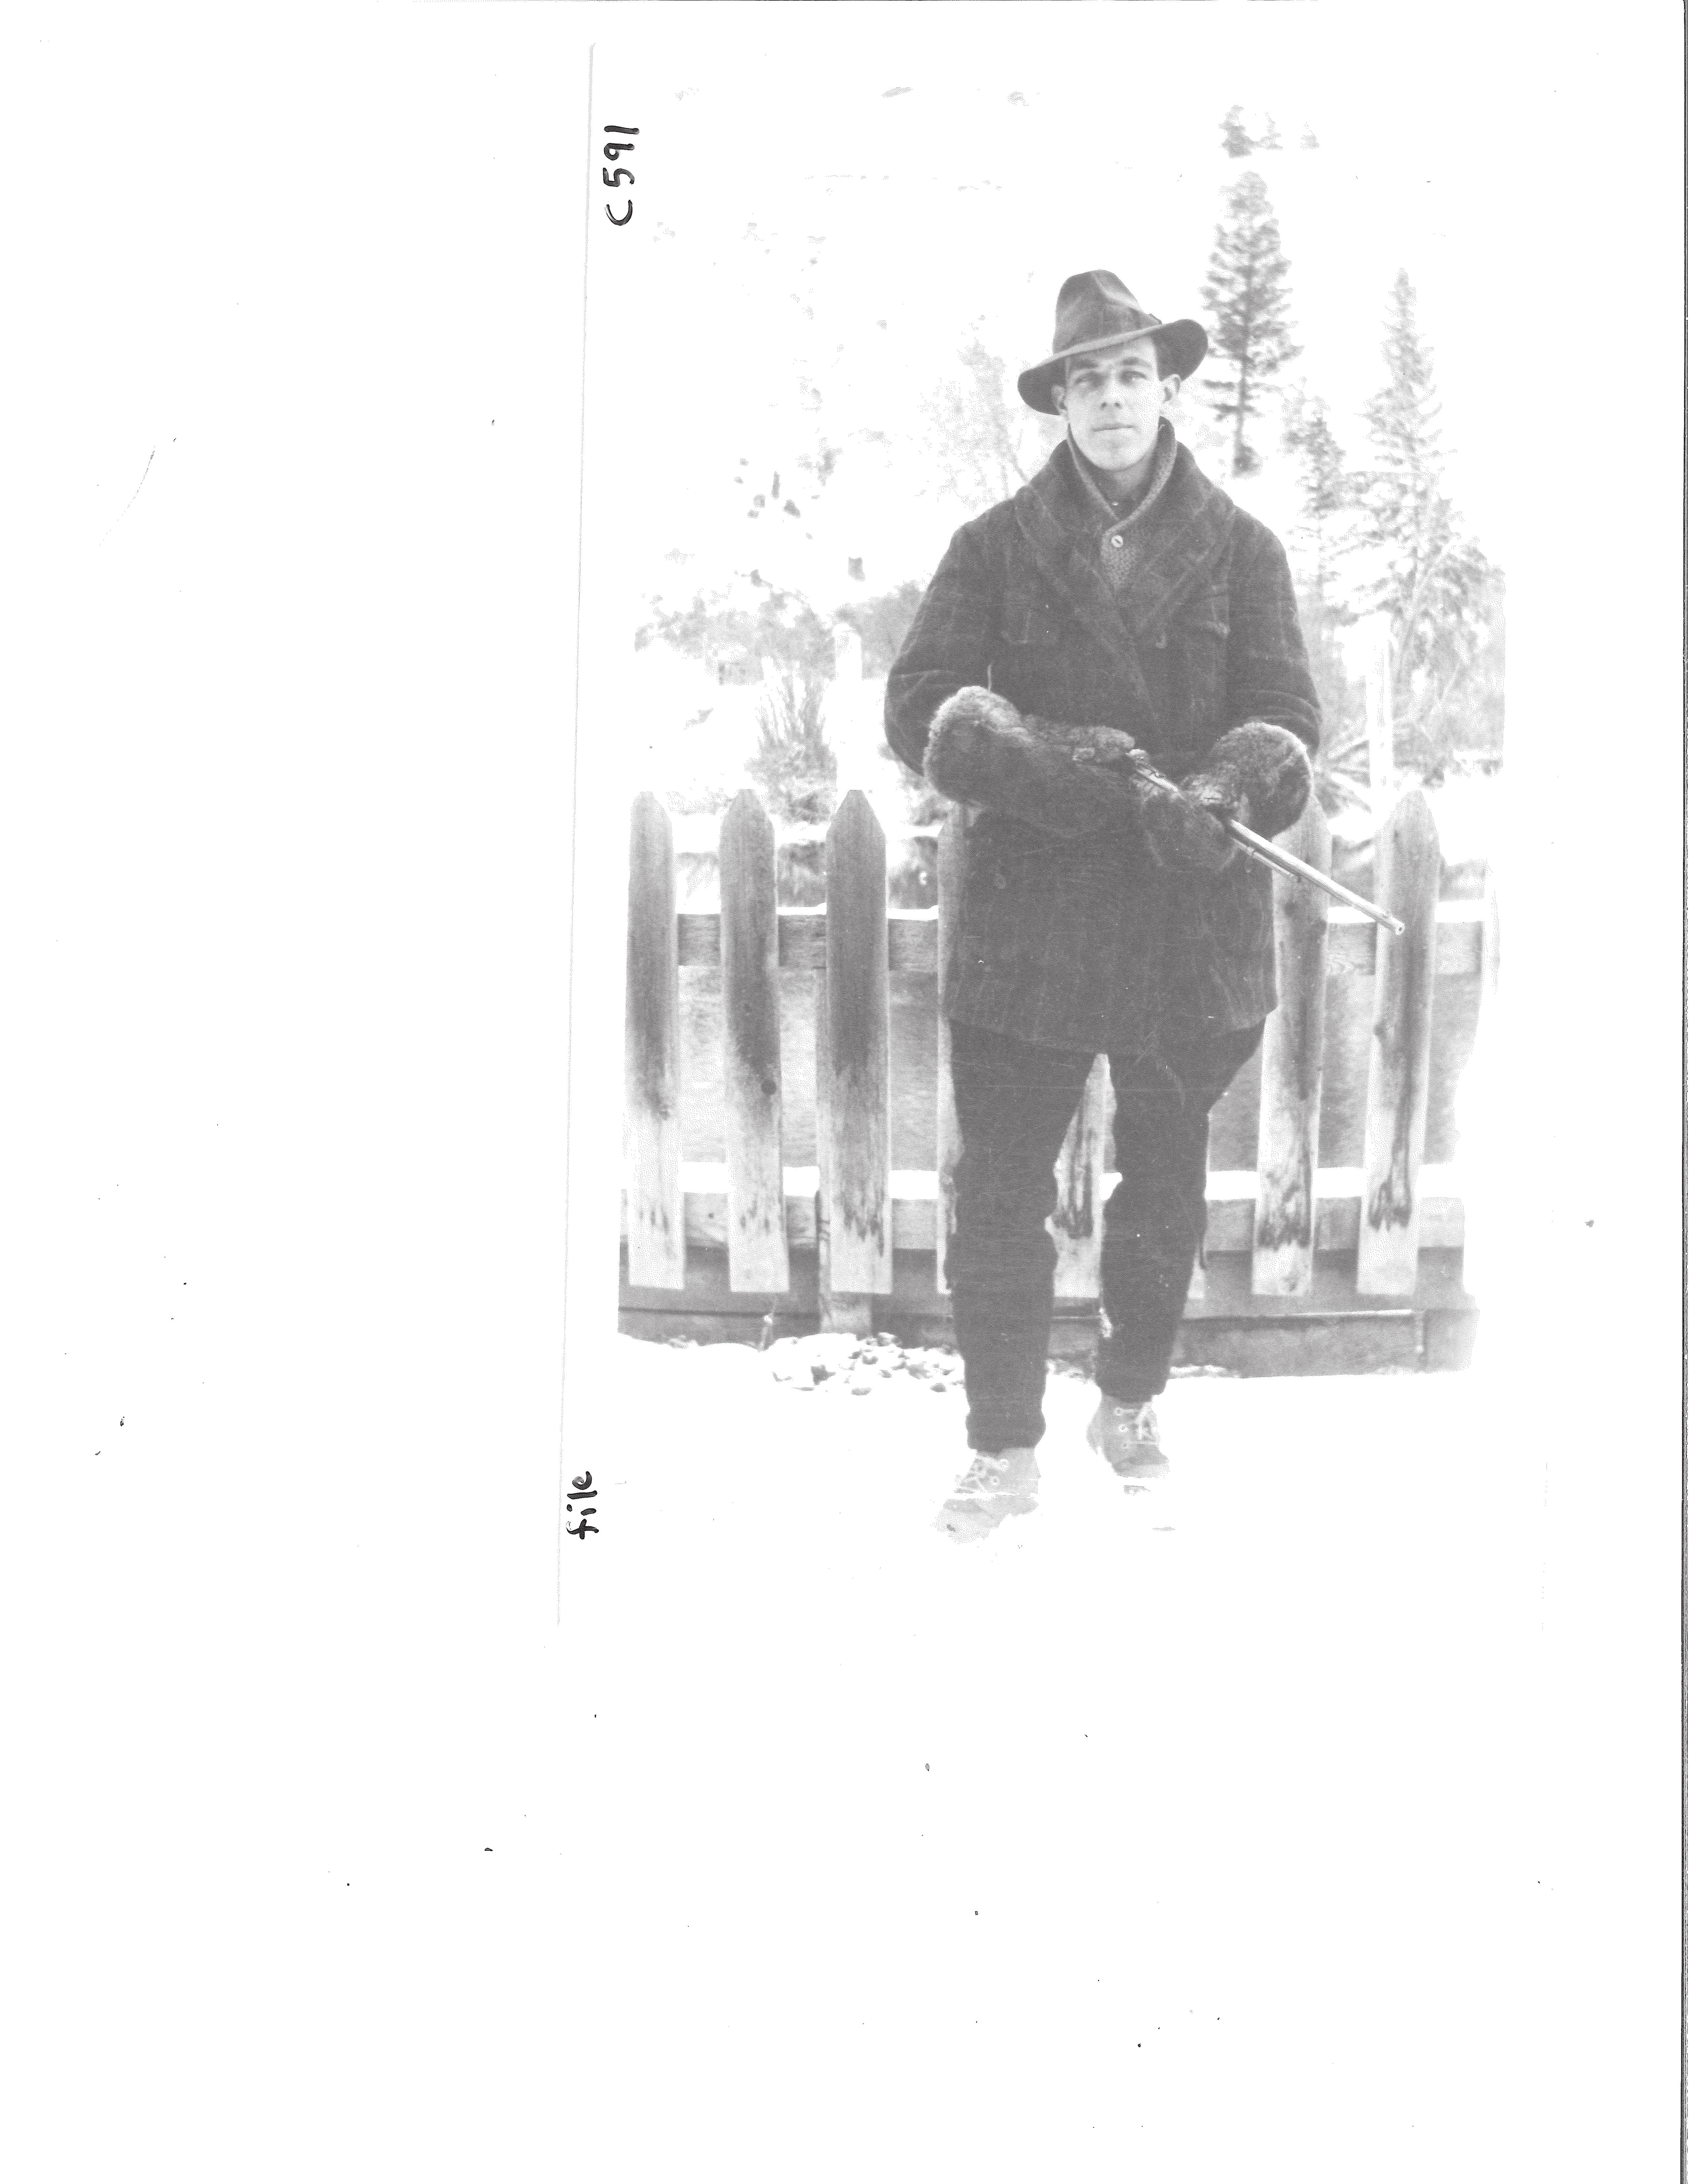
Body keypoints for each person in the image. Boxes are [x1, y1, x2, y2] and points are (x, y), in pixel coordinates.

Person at [884, 269, 1320, 1542]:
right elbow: (919, 708)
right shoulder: (992, 548)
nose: (1113, 399)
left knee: (1166, 1183)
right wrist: (1044, 765)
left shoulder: (1243, 549)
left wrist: (1224, 790)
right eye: (1089, 380)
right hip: (1033, 915)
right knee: (1000, 1191)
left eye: (1133, 374)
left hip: (1190, 914)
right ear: (1061, 403)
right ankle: (1002, 1445)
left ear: (1168, 389)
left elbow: (1288, 720)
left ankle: (1130, 1403)